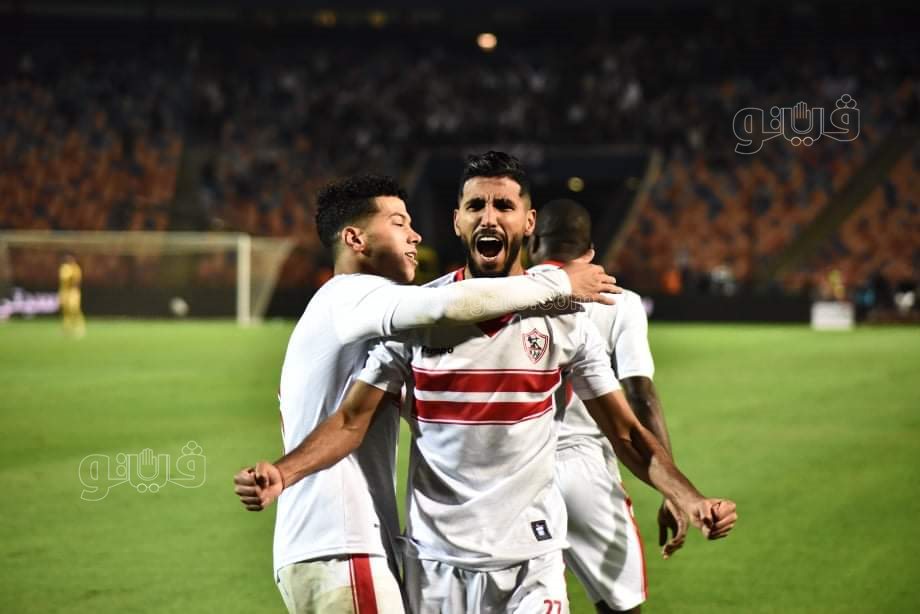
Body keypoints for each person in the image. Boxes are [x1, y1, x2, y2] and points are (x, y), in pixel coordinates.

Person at [239, 153, 737, 613]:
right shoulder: (419, 319)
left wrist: (689, 497)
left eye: (504, 205)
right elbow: (351, 421)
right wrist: (284, 472)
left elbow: (626, 432)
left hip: (532, 560)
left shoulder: (566, 321)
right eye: (476, 205)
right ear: (457, 220)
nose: (489, 216)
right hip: (437, 566)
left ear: (529, 222)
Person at [528, 198, 679, 613]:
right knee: (620, 606)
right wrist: (670, 486)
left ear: (534, 243)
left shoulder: (507, 295)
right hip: (585, 467)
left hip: (516, 468)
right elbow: (640, 394)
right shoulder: (621, 302)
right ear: (590, 252)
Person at [59, 254, 85, 338]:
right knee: (66, 311)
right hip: (64, 292)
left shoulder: (75, 268)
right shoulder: (64, 268)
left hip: (73, 292)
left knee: (74, 309)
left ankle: (79, 327)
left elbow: (76, 281)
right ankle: (67, 328)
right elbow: (62, 281)